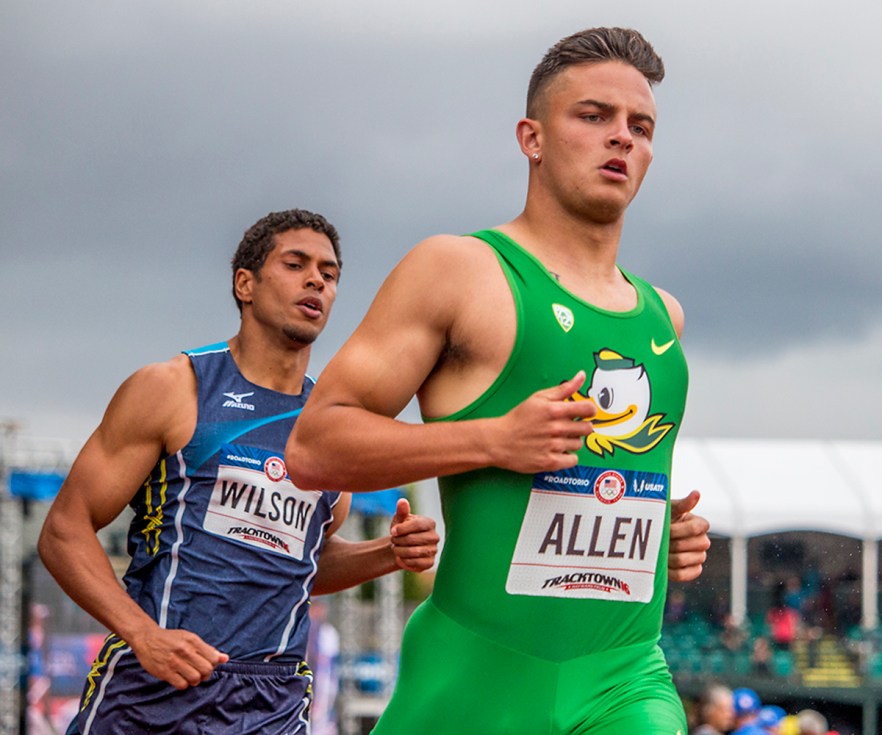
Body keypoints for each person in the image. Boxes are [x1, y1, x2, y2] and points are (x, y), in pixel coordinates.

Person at [288, 27, 711, 734]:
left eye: (640, 126)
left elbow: (591, 483)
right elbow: (315, 445)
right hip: (476, 675)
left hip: (624, 676)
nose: (622, 139)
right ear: (532, 137)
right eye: (593, 116)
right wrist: (493, 438)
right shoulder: (458, 271)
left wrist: (658, 534)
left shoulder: (664, 315)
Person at [37, 209, 439, 734]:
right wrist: (142, 635)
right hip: (156, 685)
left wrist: (387, 554)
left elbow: (297, 565)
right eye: (295, 264)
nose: (316, 279)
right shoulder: (173, 388)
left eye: (330, 272)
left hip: (269, 701)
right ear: (245, 284)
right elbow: (64, 530)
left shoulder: (331, 428)